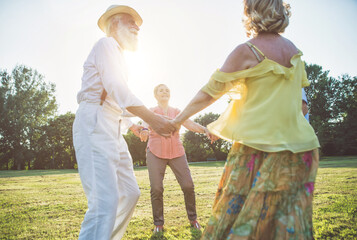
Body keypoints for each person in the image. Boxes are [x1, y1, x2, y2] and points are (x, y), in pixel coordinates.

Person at [169, 0, 320, 239]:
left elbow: (209, 93)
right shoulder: (295, 53)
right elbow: (298, 106)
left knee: (235, 223)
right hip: (302, 153)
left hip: (258, 150)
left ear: (251, 13)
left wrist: (177, 120)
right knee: (284, 229)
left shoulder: (247, 50)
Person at [72, 5, 175, 240]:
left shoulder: (120, 57)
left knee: (130, 193)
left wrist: (133, 125)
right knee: (103, 203)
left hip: (113, 127)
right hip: (94, 123)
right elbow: (117, 89)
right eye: (130, 21)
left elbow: (117, 100)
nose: (137, 26)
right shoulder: (105, 44)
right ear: (114, 24)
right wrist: (153, 119)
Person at [138, 84, 214, 233]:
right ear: (155, 95)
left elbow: (190, 123)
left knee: (188, 185)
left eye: (167, 90)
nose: (164, 92)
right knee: (156, 188)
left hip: (177, 152)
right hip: (155, 152)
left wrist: (204, 130)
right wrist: (145, 130)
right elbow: (145, 122)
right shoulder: (151, 111)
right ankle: (158, 224)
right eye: (161, 90)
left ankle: (193, 219)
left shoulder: (177, 112)